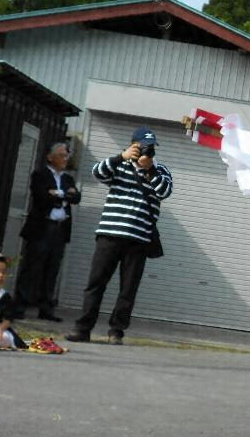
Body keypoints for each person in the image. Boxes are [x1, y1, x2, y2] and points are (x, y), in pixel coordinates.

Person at [65, 127, 172, 345]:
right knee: (95, 283)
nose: (147, 150)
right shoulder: (119, 164)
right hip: (110, 235)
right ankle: (82, 329)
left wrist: (150, 170)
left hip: (139, 239)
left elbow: (165, 191)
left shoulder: (160, 169)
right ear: (133, 145)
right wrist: (121, 156)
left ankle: (116, 331)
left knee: (128, 289)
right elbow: (97, 172)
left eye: (151, 147)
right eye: (143, 146)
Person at [11, 142, 81, 322]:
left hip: (60, 229)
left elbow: (76, 197)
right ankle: (20, 306)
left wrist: (57, 193)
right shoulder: (40, 175)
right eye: (62, 155)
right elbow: (42, 195)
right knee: (32, 267)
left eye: (67, 156)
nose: (65, 159)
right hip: (42, 228)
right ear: (50, 157)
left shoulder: (67, 178)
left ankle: (46, 309)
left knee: (52, 269)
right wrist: (65, 194)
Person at [0, 253, 27, 350]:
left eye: (3, 272)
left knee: (4, 337)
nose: (0, 276)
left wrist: (0, 328)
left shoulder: (4, 296)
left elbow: (8, 318)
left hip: (0, 331)